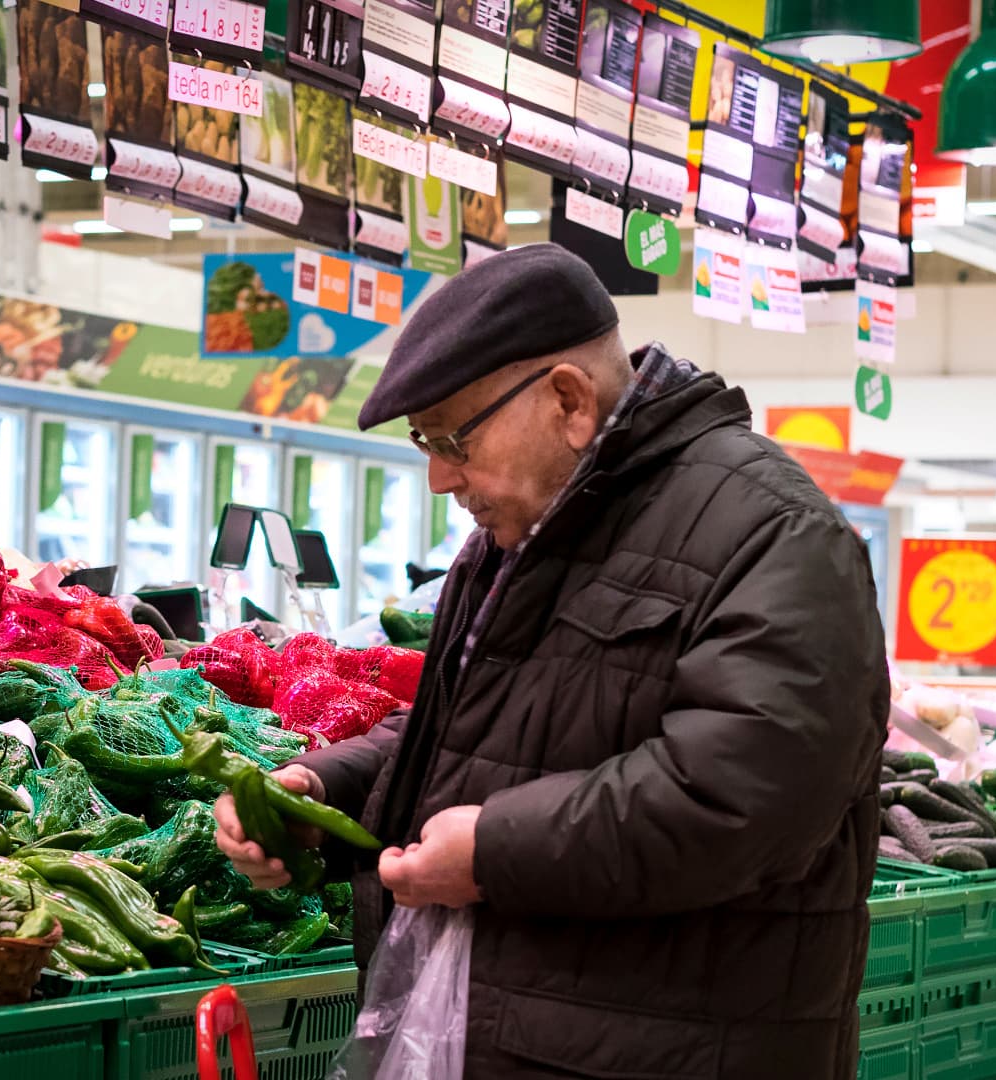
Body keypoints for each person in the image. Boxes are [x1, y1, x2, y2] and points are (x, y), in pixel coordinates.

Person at [215, 244, 890, 1077]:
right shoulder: (516, 540)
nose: (437, 477)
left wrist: (496, 851)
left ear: (569, 399)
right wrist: (324, 790)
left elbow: (741, 800)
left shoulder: (775, 535)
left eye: (450, 438)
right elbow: (478, 732)